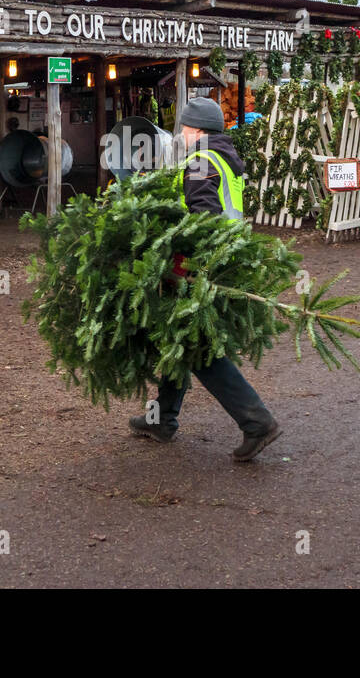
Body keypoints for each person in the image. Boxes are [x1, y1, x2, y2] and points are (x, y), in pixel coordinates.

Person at [128, 96, 282, 463]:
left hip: (207, 266)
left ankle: (257, 422)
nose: (179, 133)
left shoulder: (200, 162)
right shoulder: (224, 158)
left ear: (196, 129)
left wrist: (183, 265)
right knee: (182, 338)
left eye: (183, 127)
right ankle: (162, 418)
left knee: (202, 352)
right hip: (227, 259)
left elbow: (204, 218)